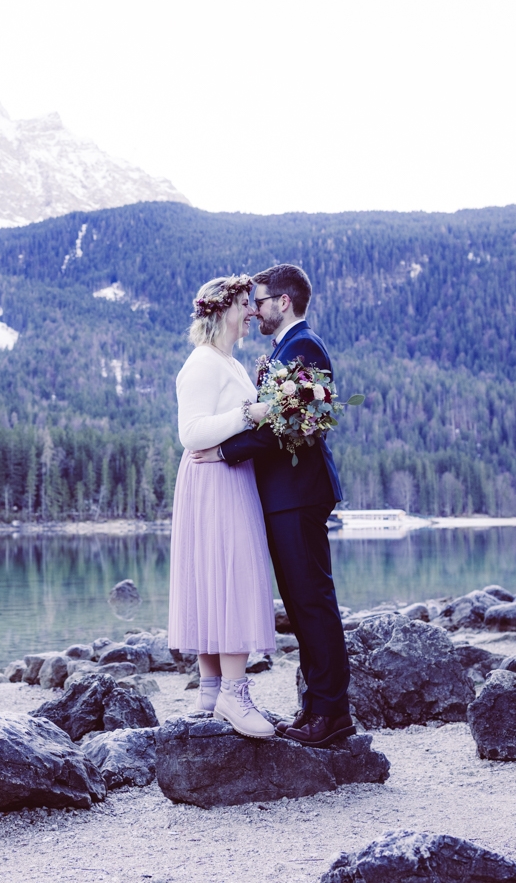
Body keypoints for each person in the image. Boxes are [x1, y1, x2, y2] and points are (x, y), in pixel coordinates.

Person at [192, 263, 352, 748]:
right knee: (303, 606)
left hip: (299, 494)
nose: (253, 310)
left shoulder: (302, 346)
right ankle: (315, 708)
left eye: (259, 301)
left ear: (283, 302)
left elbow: (283, 425)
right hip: (285, 497)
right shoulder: (285, 350)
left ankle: (332, 713)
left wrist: (224, 451)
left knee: (313, 603)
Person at [168, 274, 280, 738]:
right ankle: (230, 694)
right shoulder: (202, 364)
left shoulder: (229, 363)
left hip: (229, 478)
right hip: (212, 480)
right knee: (224, 576)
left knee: (220, 576)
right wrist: (246, 415)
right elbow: (191, 434)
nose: (251, 311)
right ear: (221, 312)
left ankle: (213, 692)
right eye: (243, 304)